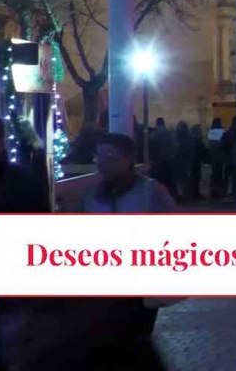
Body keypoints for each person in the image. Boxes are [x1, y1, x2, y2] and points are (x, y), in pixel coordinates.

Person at [82, 133, 177, 342]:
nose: (102, 162)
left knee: (133, 339)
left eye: (109, 156)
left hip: (138, 285)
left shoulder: (150, 191)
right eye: (98, 156)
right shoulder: (92, 195)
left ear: (128, 160)